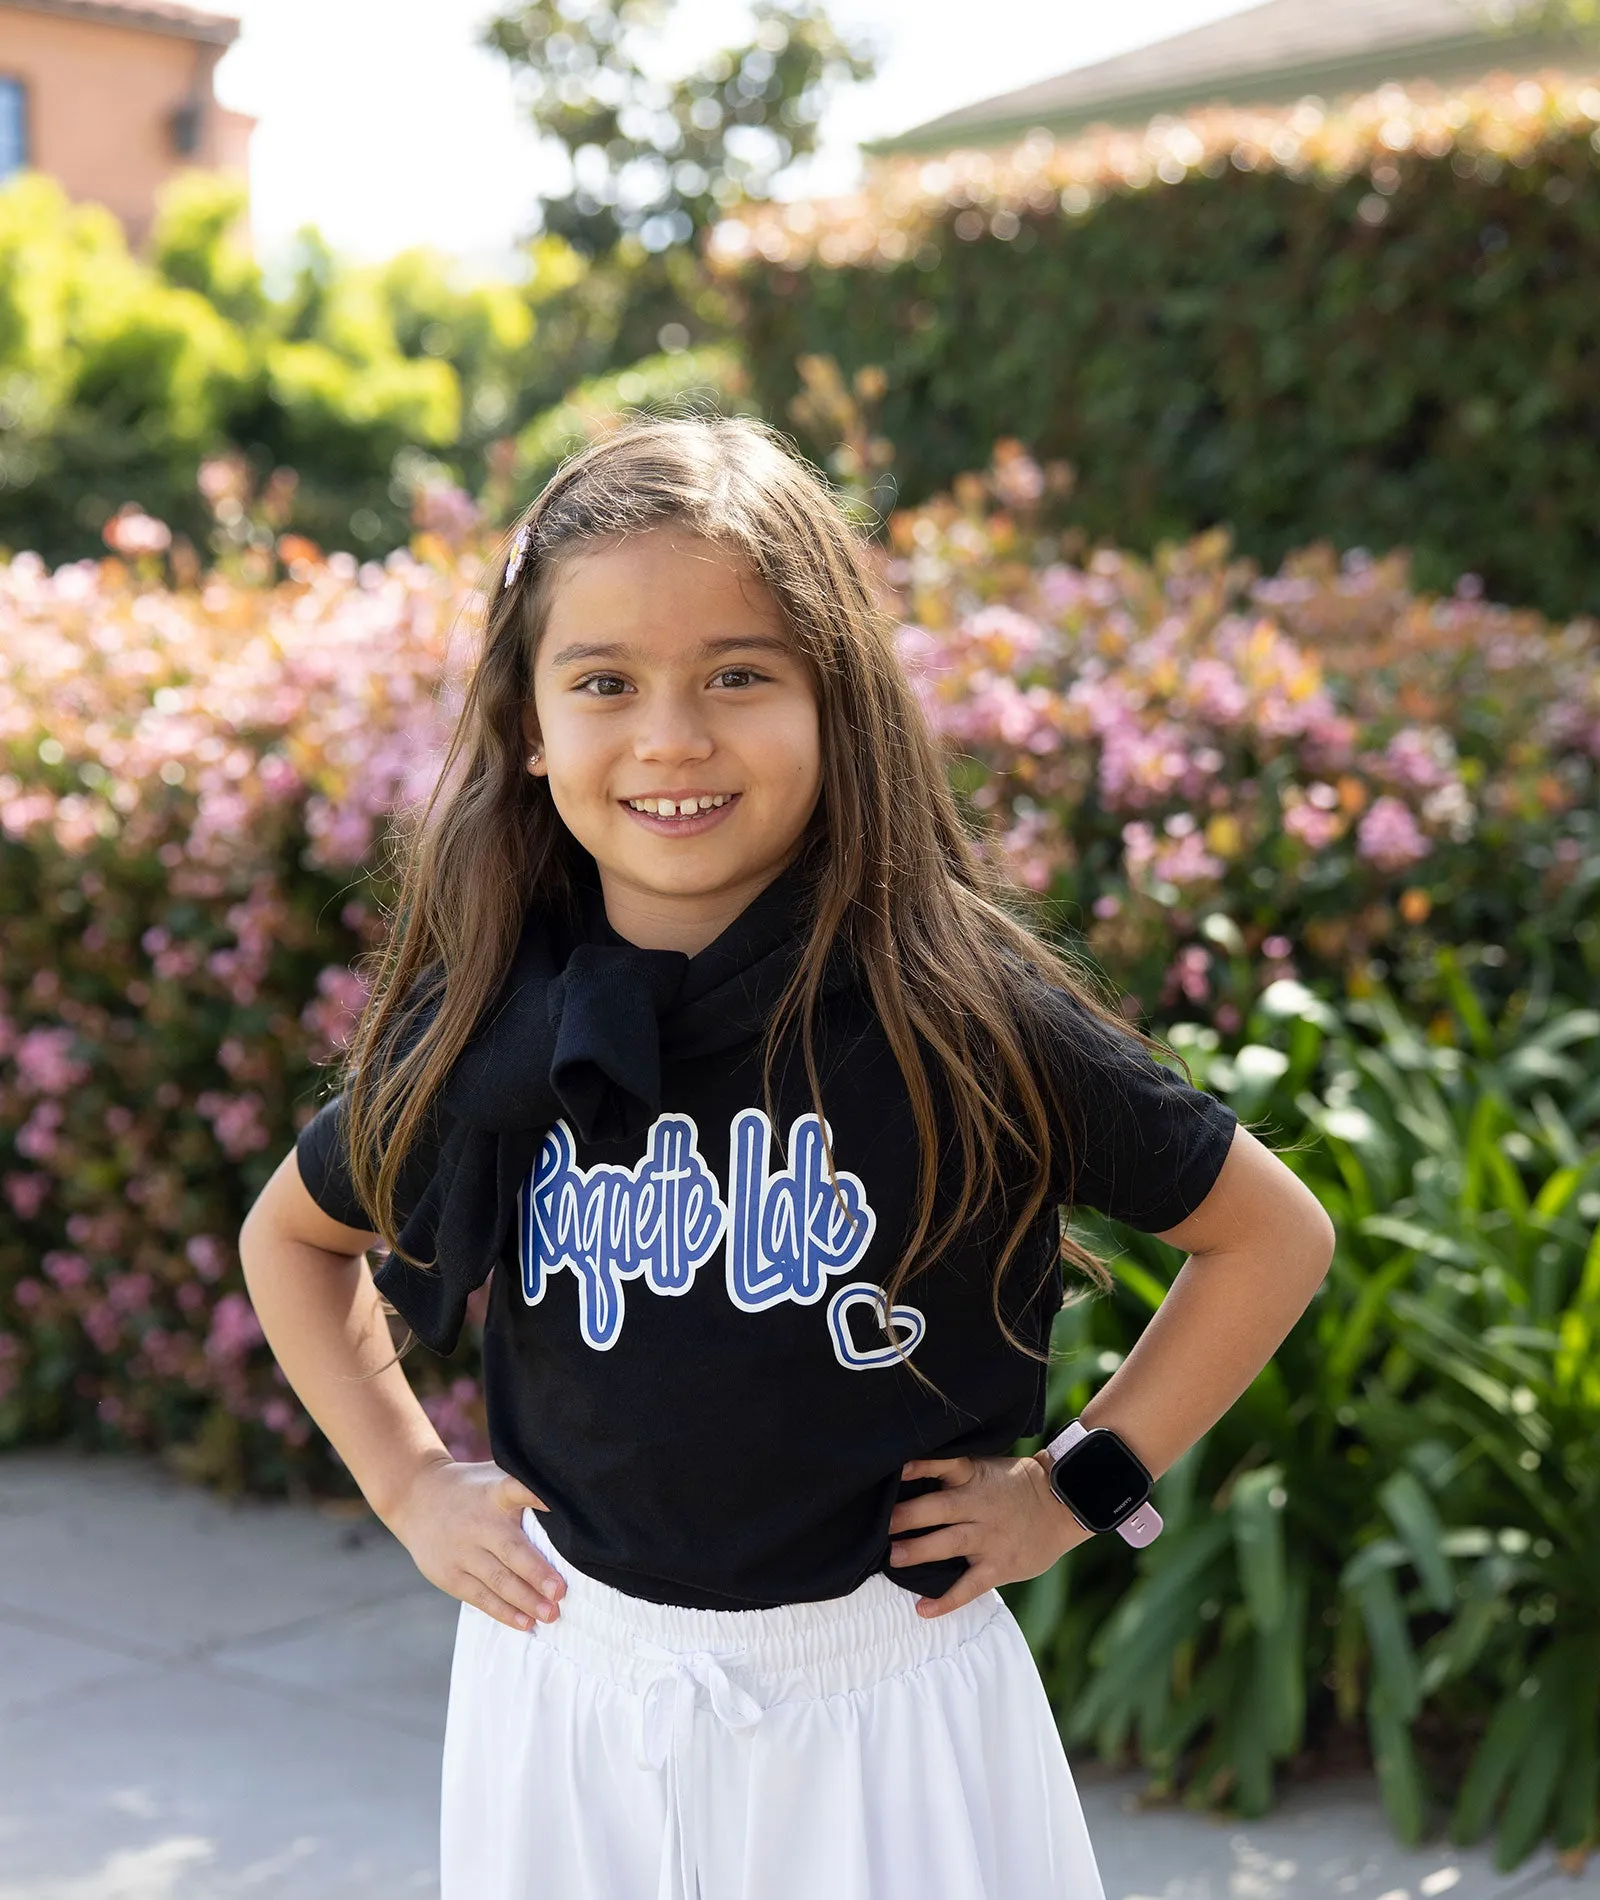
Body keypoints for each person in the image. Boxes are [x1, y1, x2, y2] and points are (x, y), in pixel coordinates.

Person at [239, 415, 1336, 1900]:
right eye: (604, 682)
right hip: (572, 1686)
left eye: (739, 674)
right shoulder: (489, 1028)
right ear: (527, 728)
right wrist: (409, 1487)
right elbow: (292, 1241)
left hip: (887, 1701)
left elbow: (1270, 1235)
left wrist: (1075, 1489)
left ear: (840, 701)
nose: (672, 735)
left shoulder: (954, 1010)